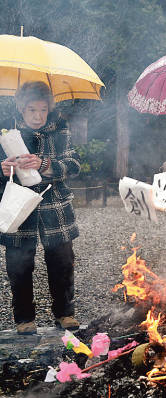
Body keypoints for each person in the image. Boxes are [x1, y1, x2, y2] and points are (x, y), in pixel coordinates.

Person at [0, 81, 80, 334]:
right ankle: (24, 319)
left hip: (54, 208)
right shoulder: (6, 134)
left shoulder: (60, 130)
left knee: (63, 263)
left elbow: (74, 165)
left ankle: (65, 313)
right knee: (18, 266)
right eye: (32, 110)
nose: (38, 116)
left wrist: (44, 164)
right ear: (21, 109)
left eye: (43, 110)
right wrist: (3, 171)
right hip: (19, 208)